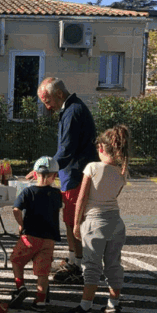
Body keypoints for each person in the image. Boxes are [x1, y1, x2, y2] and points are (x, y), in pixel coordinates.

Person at [59, 125, 130, 313]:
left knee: (91, 266)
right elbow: (114, 195)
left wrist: (75, 224)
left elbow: (81, 199)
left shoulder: (92, 167)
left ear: (100, 147)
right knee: (113, 264)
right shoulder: (122, 170)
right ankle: (113, 306)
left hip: (94, 222)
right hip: (115, 221)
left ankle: (85, 306)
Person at [37, 77, 98, 285]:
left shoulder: (72, 112)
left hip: (76, 174)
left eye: (47, 100)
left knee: (75, 222)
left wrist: (46, 170)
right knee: (69, 220)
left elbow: (66, 150)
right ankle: (73, 260)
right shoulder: (71, 108)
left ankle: (77, 266)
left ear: (59, 95)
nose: (47, 106)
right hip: (71, 173)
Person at [10, 156, 63, 312]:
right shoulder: (56, 194)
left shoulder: (28, 192)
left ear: (34, 174)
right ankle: (40, 301)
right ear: (55, 176)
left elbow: (16, 209)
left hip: (30, 236)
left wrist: (21, 224)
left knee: (16, 260)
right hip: (49, 239)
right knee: (43, 272)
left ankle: (20, 287)